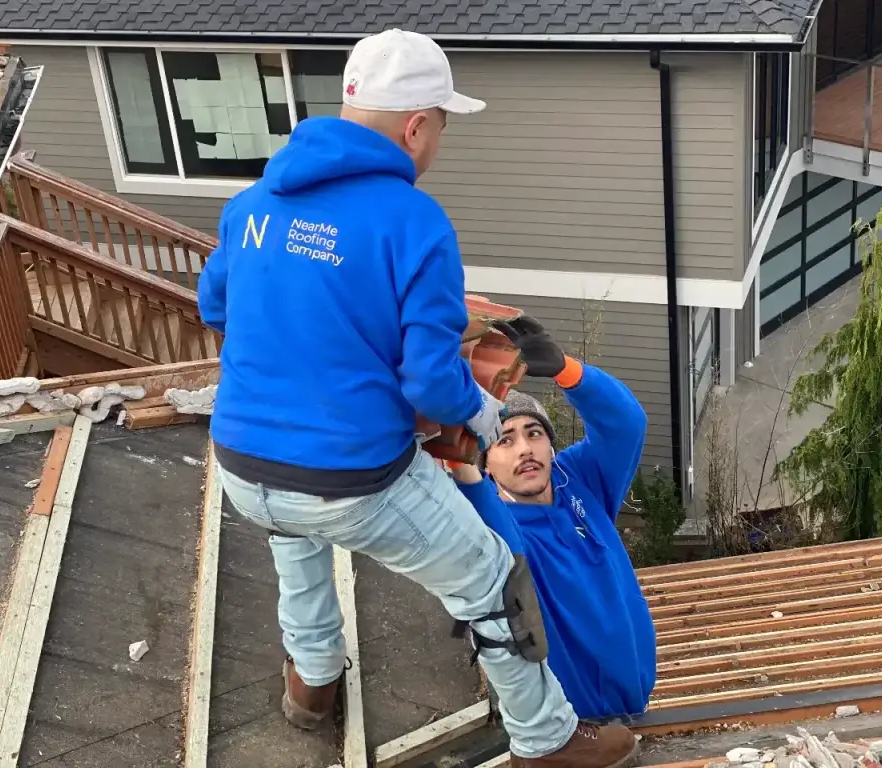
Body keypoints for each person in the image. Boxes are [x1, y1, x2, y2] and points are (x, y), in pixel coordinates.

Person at [197, 27, 639, 768]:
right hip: (350, 478)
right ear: (415, 126)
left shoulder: (254, 204)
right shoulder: (413, 222)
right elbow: (431, 384)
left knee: (296, 536)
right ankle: (547, 741)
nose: (436, 145)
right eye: (439, 127)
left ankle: (311, 686)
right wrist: (487, 415)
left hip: (243, 466)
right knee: (492, 577)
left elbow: (220, 305)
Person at [448, 317, 657, 727]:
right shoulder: (488, 523)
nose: (524, 449)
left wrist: (567, 370)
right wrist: (457, 455)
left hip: (635, 707)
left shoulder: (577, 480)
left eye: (534, 433)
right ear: (486, 462)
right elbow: (501, 541)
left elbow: (626, 424)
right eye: (504, 440)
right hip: (570, 729)